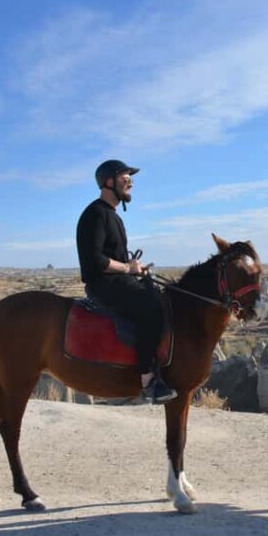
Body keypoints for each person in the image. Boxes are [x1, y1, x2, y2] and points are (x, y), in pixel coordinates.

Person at [76, 159, 177, 403]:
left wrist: (136, 269)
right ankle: (147, 379)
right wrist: (128, 268)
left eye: (131, 176)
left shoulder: (113, 217)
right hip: (103, 285)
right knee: (151, 309)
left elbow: (118, 259)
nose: (130, 180)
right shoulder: (95, 214)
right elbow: (95, 260)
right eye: (125, 176)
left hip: (118, 281)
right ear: (109, 181)